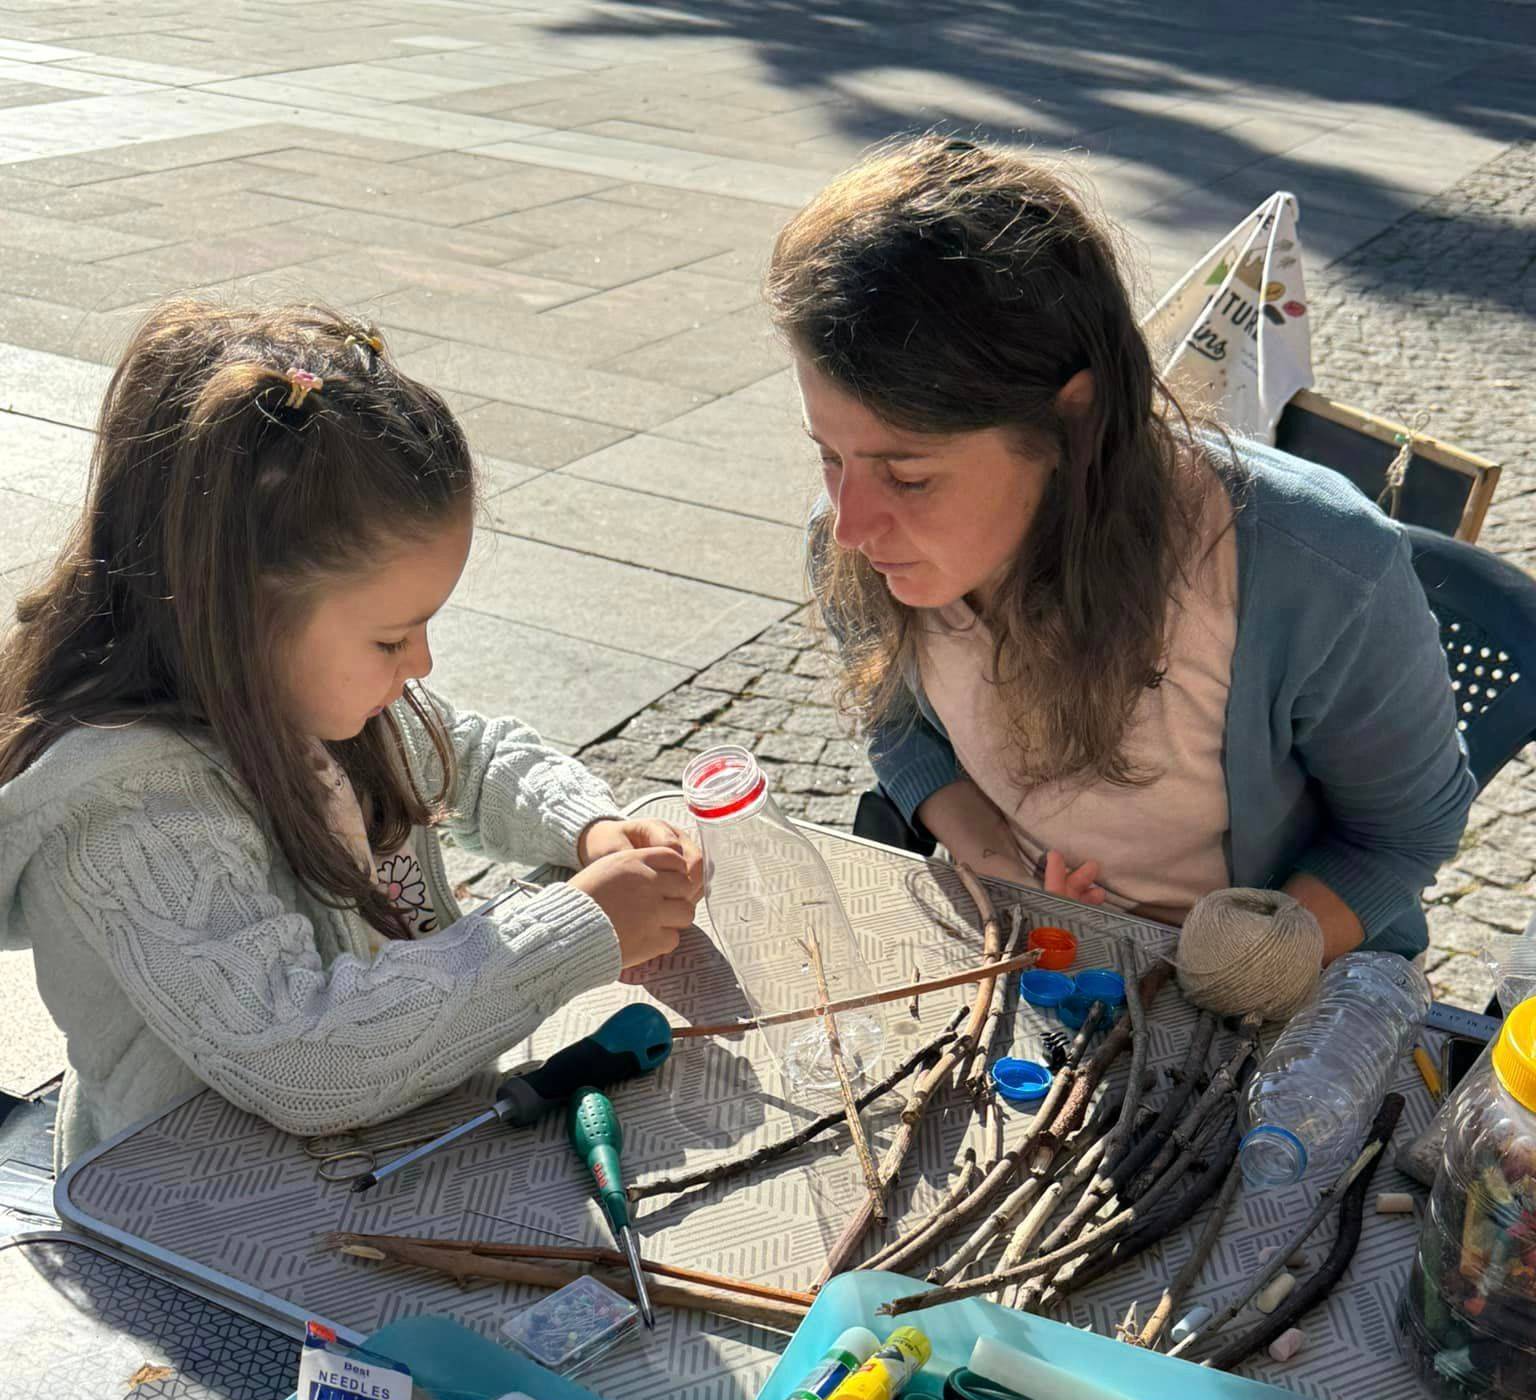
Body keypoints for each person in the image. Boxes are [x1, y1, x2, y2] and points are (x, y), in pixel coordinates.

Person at [0, 302, 701, 1168]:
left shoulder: (317, 702)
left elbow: (468, 758)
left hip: (386, 1152)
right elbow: (303, 1057)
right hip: (200, 1210)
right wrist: (573, 931)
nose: (423, 662)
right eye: (391, 637)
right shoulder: (131, 813)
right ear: (243, 609)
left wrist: (587, 826)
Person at [765, 135, 1475, 960]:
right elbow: (896, 729)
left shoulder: (1318, 572)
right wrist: (1005, 880)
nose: (851, 526)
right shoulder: (848, 540)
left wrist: (1244, 966)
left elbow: (1402, 835)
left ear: (1073, 419)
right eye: (828, 452)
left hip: (1278, 973)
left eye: (910, 475)